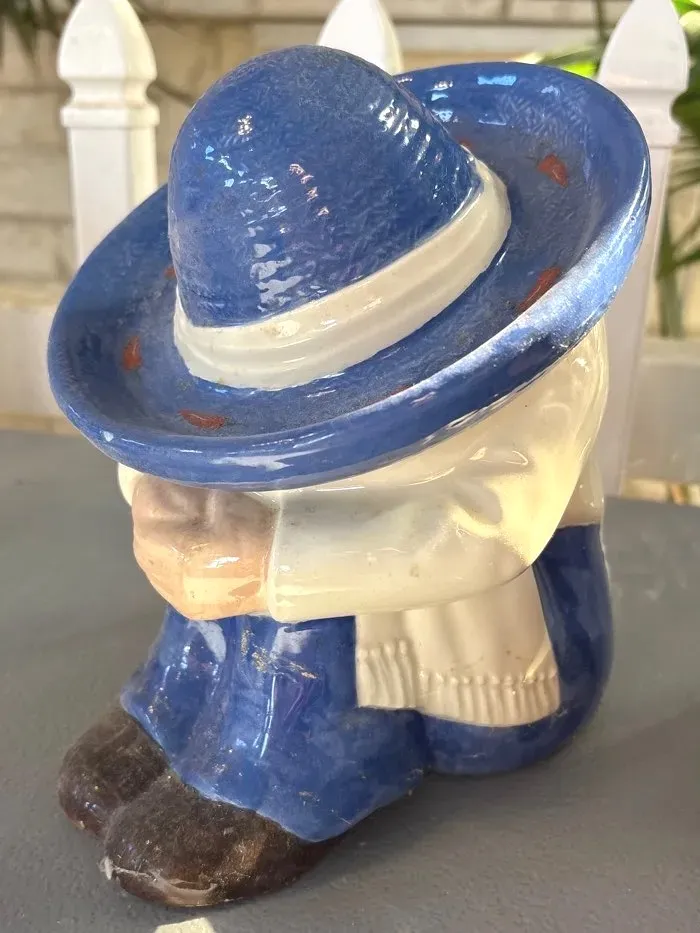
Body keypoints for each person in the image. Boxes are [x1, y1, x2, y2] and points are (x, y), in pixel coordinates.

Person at [48, 46, 650, 907]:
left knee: (293, 554)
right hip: (300, 588)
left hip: (496, 667)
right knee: (226, 503)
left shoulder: (541, 361)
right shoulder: (236, 385)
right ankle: (178, 703)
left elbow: (489, 526)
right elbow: (163, 450)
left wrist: (270, 563)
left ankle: (286, 767)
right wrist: (164, 503)